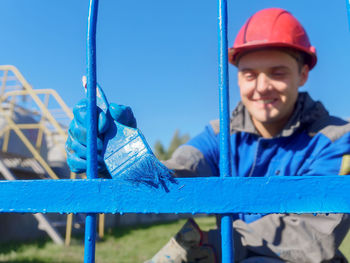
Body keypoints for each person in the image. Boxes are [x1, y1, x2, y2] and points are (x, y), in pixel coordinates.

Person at [66, 7, 350, 263]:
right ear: (237, 77)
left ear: (303, 75)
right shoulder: (219, 135)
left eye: (278, 73)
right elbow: (179, 174)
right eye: (250, 74)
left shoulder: (336, 137)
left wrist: (213, 244)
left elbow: (315, 232)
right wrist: (120, 162)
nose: (262, 86)